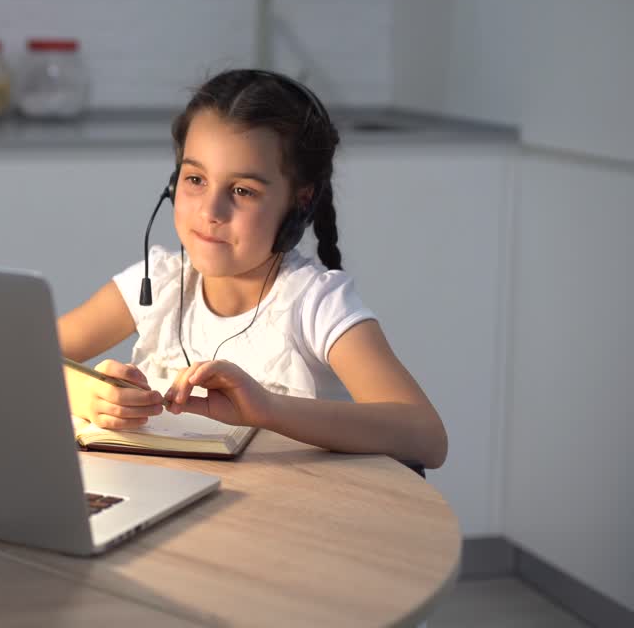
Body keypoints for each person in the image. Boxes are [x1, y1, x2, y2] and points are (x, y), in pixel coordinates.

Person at [57, 69, 448, 469]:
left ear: (300, 200)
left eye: (242, 191)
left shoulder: (315, 304)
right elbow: (12, 358)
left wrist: (267, 409)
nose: (211, 212)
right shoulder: (159, 282)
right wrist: (84, 391)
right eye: (195, 179)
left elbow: (427, 438)